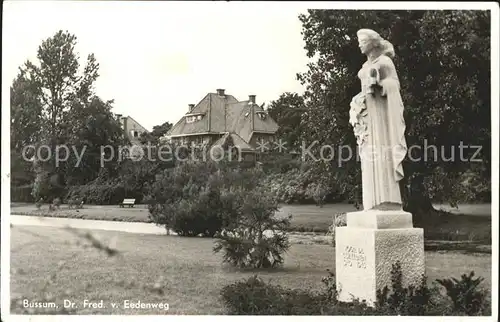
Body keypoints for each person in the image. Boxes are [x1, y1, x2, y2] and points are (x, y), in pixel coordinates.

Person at [349, 29, 408, 210]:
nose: (359, 43)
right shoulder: (365, 65)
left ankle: (386, 201)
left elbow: (395, 85)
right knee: (369, 158)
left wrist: (380, 84)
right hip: (368, 119)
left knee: (381, 155)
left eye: (362, 40)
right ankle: (372, 204)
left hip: (381, 118)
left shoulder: (385, 62)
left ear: (372, 43)